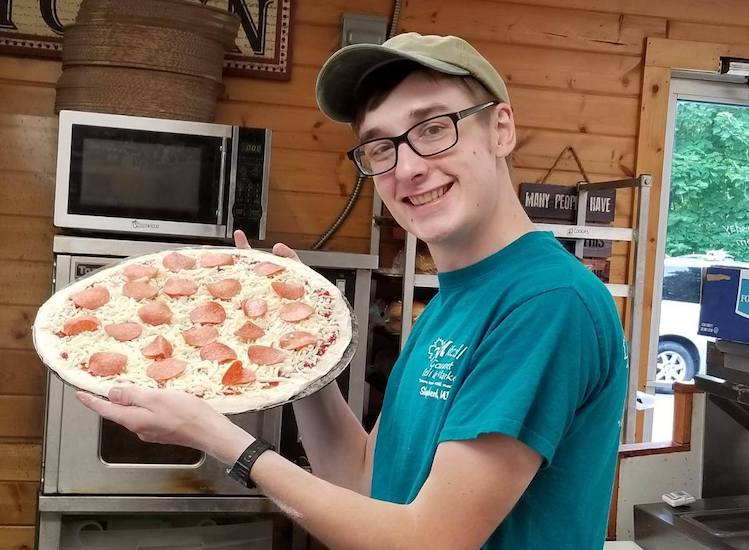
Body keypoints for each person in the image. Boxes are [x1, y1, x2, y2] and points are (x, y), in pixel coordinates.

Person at [78, 33, 628, 549]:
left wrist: (221, 440)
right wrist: (296, 352)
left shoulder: (548, 303)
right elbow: (362, 477)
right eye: (380, 147)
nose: (407, 167)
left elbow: (429, 540)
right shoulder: (453, 301)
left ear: (501, 129)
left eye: (434, 127)